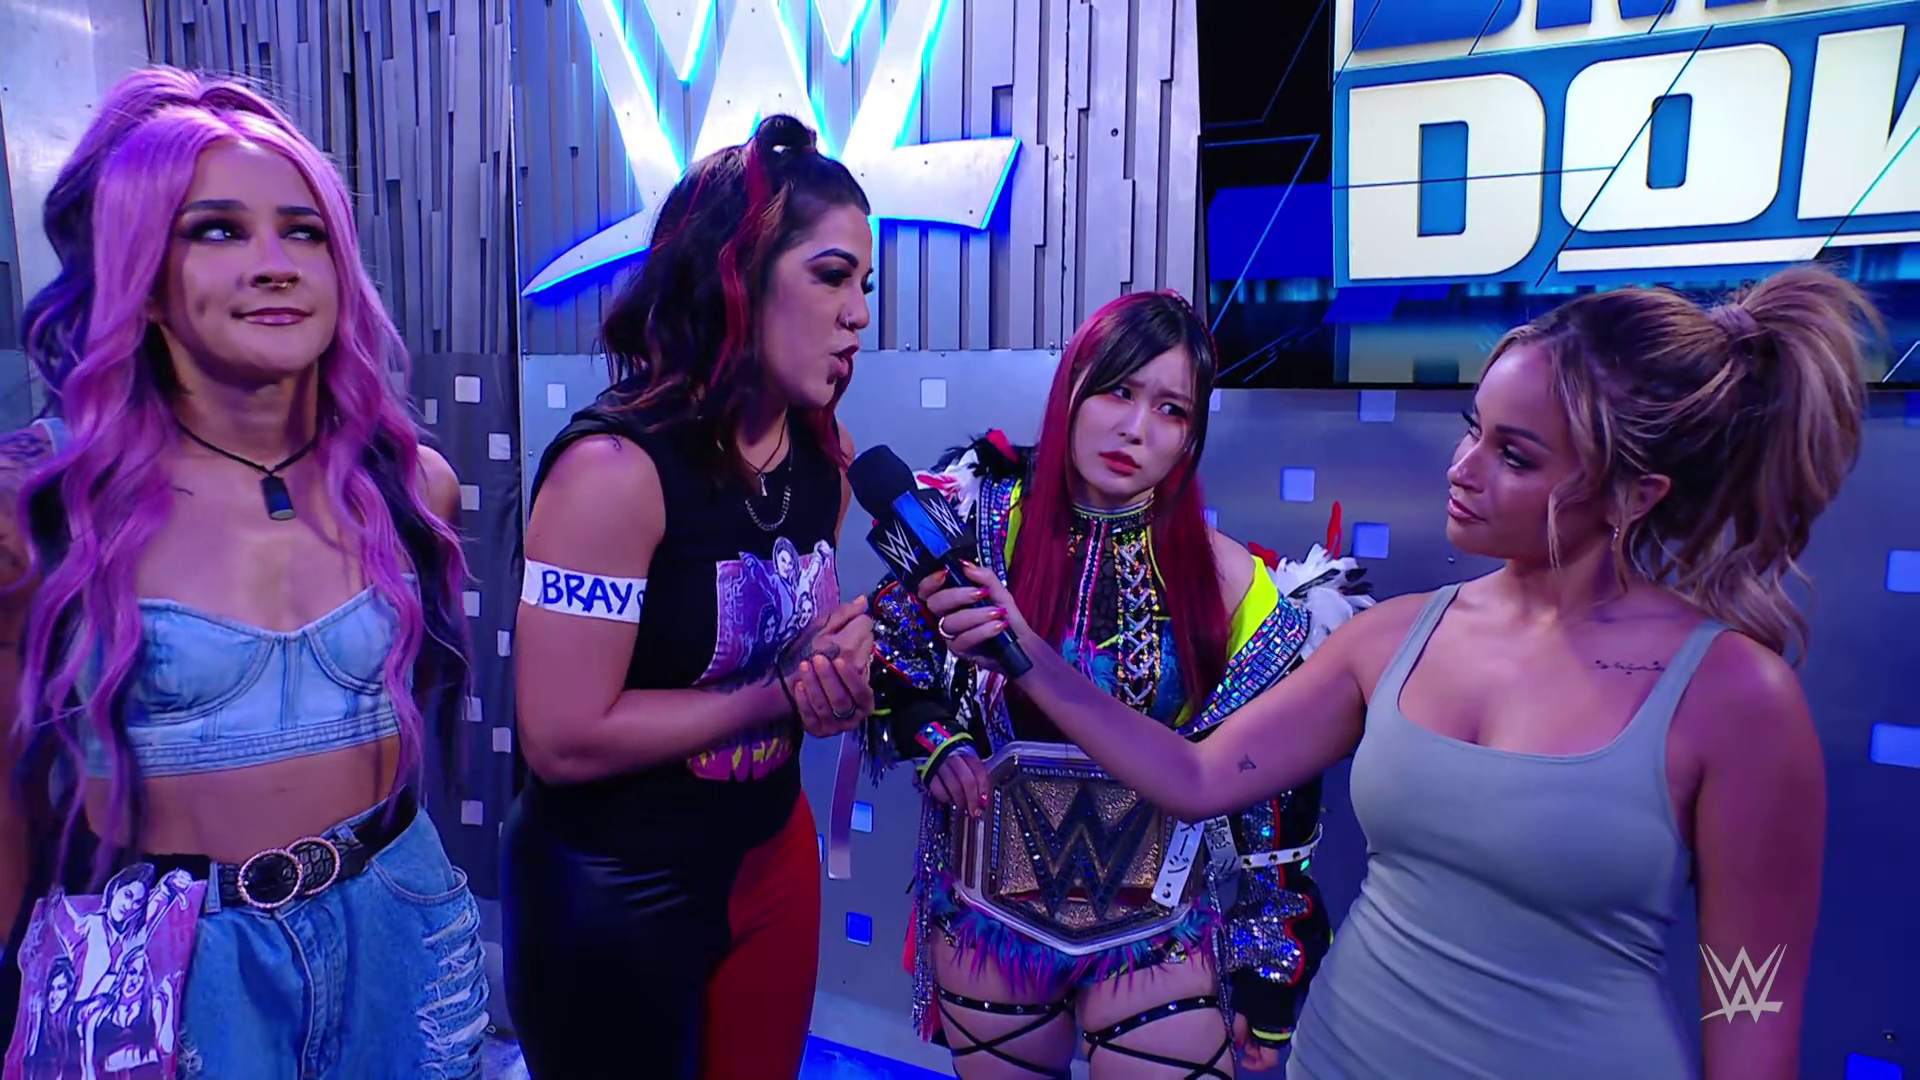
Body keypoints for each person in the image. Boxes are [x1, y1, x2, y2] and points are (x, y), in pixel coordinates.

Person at [922, 263, 1877, 1080]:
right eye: (1472, 427)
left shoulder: (1735, 700)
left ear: (1635, 493)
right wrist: (1023, 656)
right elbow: (1198, 776)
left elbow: (1753, 1016)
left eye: (1514, 454)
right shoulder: (1393, 638)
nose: (1462, 468)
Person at [0, 65, 487, 1077]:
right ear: (142, 273)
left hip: (397, 921)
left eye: (304, 232)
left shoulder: (411, 487)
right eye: (218, 230)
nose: (275, 265)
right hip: (171, 967)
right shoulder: (43, 505)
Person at [852, 290, 1372, 1079]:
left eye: (1170, 409)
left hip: (1157, 932)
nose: (1135, 428)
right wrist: (937, 740)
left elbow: (1273, 795)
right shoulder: (974, 522)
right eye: (1118, 391)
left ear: (1192, 436)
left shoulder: (1236, 585)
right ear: (1071, 389)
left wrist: (1269, 971)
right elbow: (892, 656)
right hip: (991, 918)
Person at [502, 113, 878, 1080]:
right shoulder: (611, 471)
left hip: (772, 857)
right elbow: (562, 738)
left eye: (865, 286)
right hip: (616, 885)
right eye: (832, 276)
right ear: (736, 273)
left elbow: (798, 648)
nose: (858, 315)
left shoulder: (825, 458)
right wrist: (778, 695)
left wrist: (841, 666)